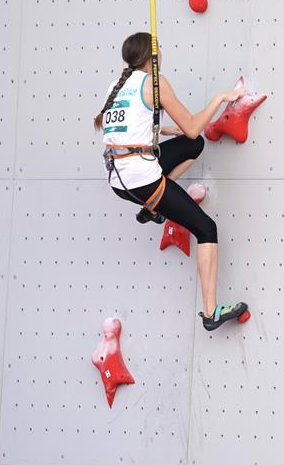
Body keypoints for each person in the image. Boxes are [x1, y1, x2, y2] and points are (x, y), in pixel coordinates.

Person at [95, 32, 248, 331]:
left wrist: (165, 132)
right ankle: (211, 312)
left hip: (117, 178)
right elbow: (192, 127)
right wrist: (221, 98)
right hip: (141, 177)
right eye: (159, 50)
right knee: (206, 228)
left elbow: (131, 129)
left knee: (193, 147)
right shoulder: (155, 82)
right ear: (152, 56)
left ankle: (153, 208)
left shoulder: (115, 86)